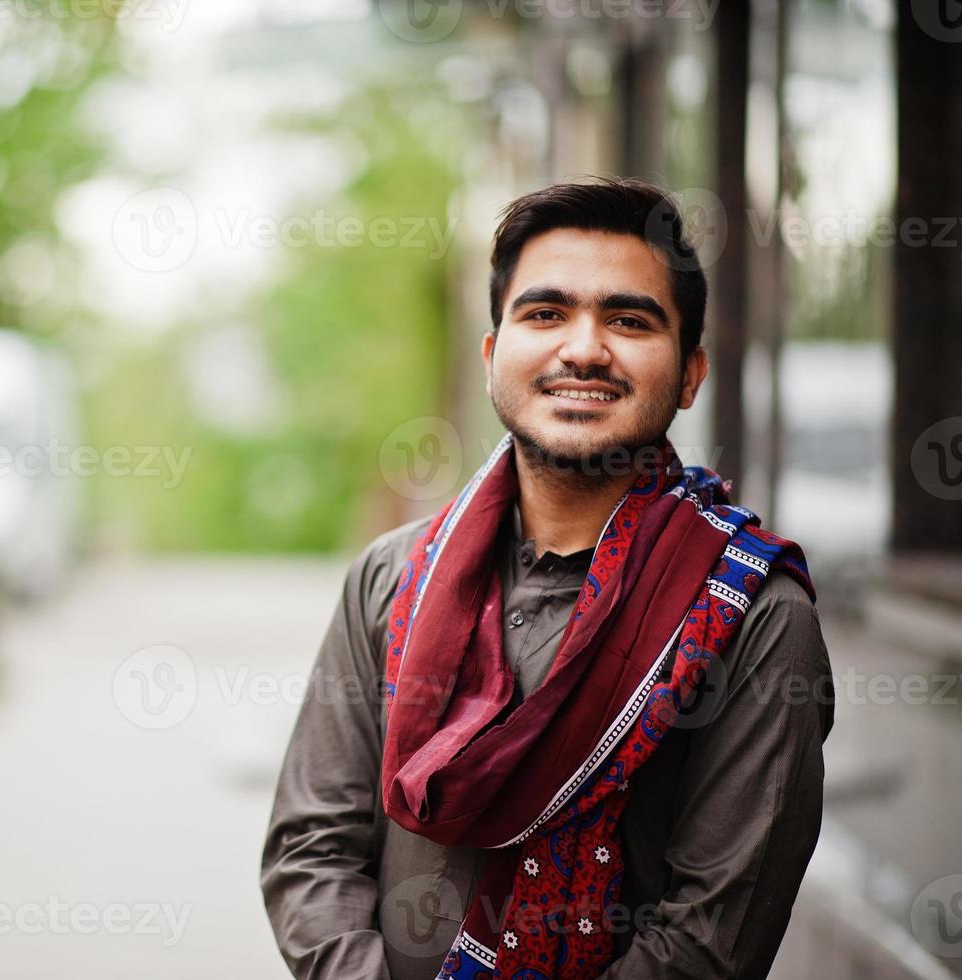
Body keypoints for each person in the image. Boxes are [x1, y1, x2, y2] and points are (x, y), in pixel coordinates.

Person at [259, 178, 833, 980]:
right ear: (495, 355)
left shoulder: (754, 616)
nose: (583, 348)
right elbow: (311, 850)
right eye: (544, 313)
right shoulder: (390, 579)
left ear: (691, 372)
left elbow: (711, 940)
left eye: (629, 320)